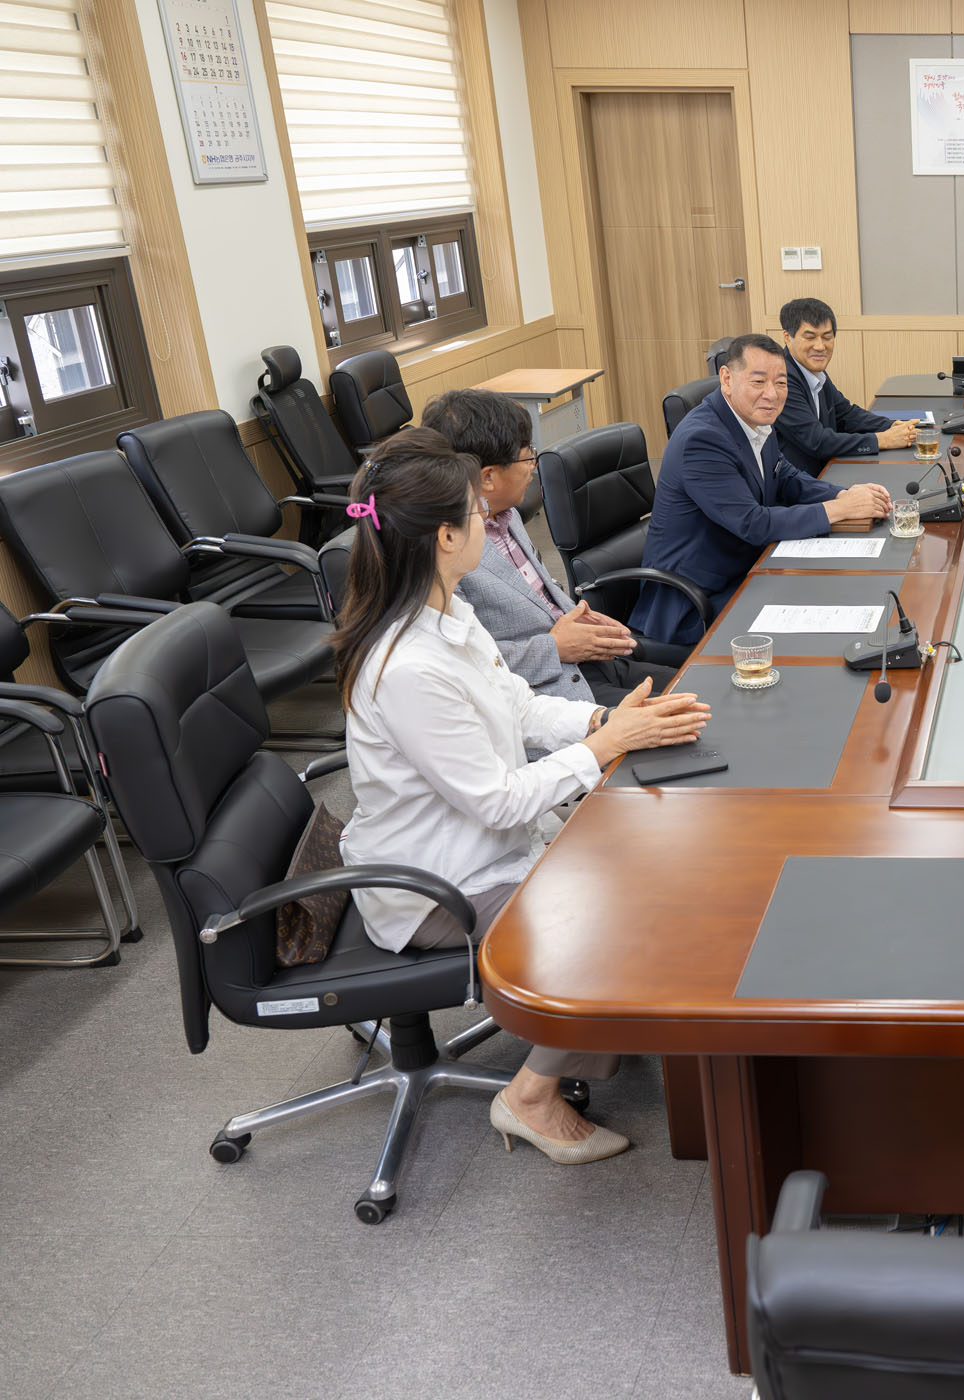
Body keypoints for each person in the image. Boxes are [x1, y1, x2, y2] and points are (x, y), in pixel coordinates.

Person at [332, 432, 710, 1163]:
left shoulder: (446, 612)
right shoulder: (407, 667)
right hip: (440, 885)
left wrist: (601, 722)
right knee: (634, 912)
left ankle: (592, 1023)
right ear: (445, 537)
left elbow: (518, 705)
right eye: (476, 513)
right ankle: (530, 1095)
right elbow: (498, 803)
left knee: (649, 859)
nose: (490, 521)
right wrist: (604, 747)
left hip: (484, 847)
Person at [421, 393, 680, 709]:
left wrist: (577, 616)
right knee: (692, 716)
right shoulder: (446, 553)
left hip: (591, 663)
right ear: (487, 478)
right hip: (547, 693)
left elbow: (537, 599)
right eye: (527, 456)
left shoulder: (507, 514)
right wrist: (555, 647)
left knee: (703, 685)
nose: (533, 466)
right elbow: (465, 664)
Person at [631, 333, 891, 645]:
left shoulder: (751, 419)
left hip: (747, 568)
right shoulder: (701, 440)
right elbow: (753, 523)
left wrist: (842, 494)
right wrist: (841, 509)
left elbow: (786, 476)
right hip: (695, 604)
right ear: (727, 379)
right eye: (758, 382)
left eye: (781, 383)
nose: (772, 394)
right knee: (818, 626)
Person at [773, 296, 920, 473]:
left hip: (826, 472)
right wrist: (882, 440)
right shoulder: (781, 379)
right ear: (788, 337)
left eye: (827, 337)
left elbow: (846, 414)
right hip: (800, 482)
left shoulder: (812, 370)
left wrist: (894, 426)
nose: (820, 346)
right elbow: (817, 441)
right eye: (810, 337)